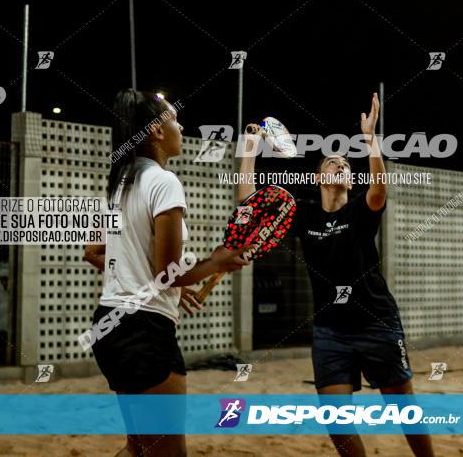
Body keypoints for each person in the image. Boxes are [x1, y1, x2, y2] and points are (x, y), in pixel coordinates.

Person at [238, 93, 435, 457]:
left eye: (345, 162)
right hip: (330, 330)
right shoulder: (305, 215)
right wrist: (249, 147)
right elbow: (248, 202)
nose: (340, 164)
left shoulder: (362, 209)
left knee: (404, 411)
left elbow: (379, 186)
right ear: (318, 177)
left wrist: (370, 138)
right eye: (332, 161)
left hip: (377, 323)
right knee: (336, 421)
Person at [83, 89, 248, 457]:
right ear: (156, 131)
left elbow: (94, 253)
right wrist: (218, 261)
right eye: (174, 119)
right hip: (145, 334)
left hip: (109, 326)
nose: (181, 125)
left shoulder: (120, 183)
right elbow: (168, 274)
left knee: (139, 448)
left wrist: (150, 282)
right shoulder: (163, 182)